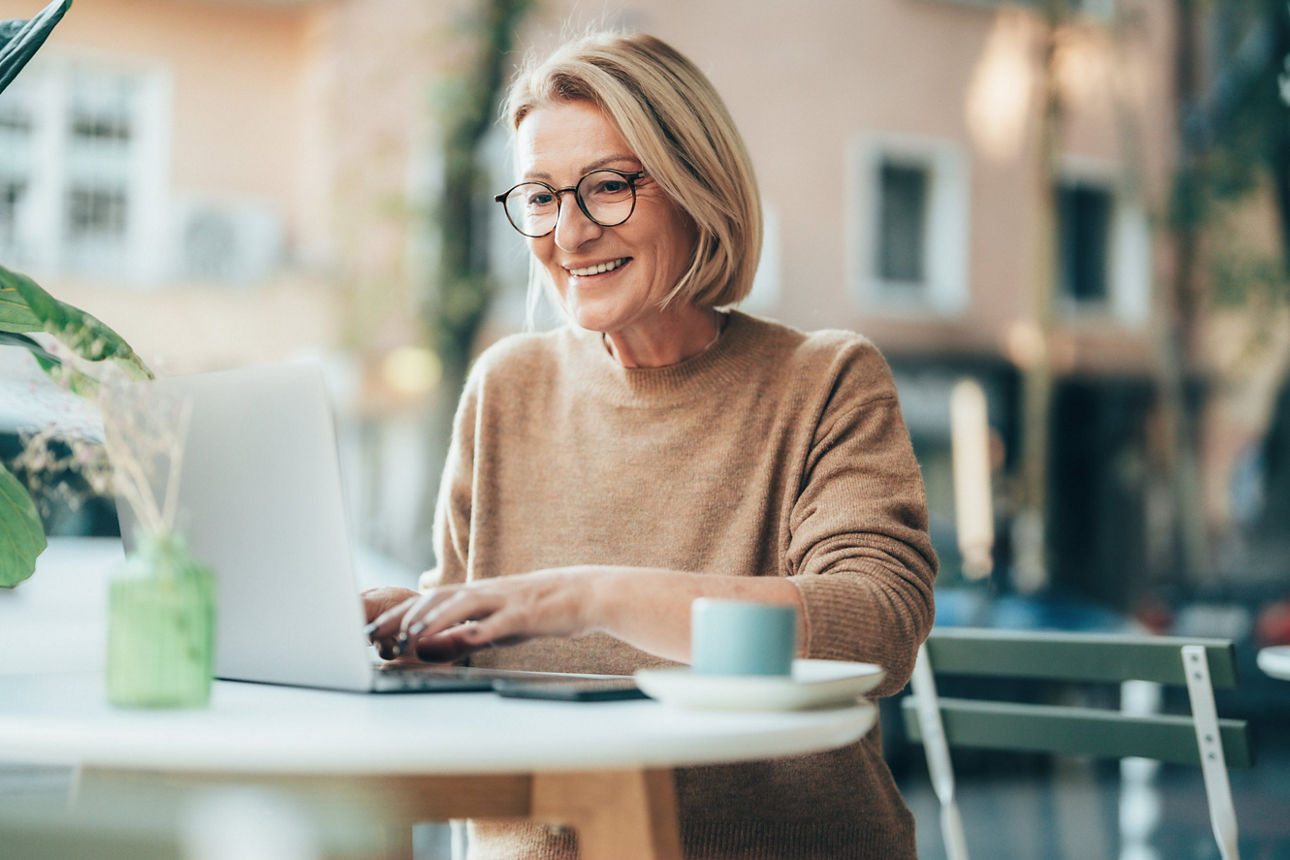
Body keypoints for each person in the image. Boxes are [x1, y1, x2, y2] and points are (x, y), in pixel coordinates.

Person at [363, 30, 937, 859]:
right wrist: (409, 632)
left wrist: (584, 595)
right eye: (541, 196)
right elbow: (465, 669)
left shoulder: (825, 380)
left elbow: (874, 627)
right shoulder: (504, 387)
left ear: (695, 187)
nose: (569, 234)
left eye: (607, 187)